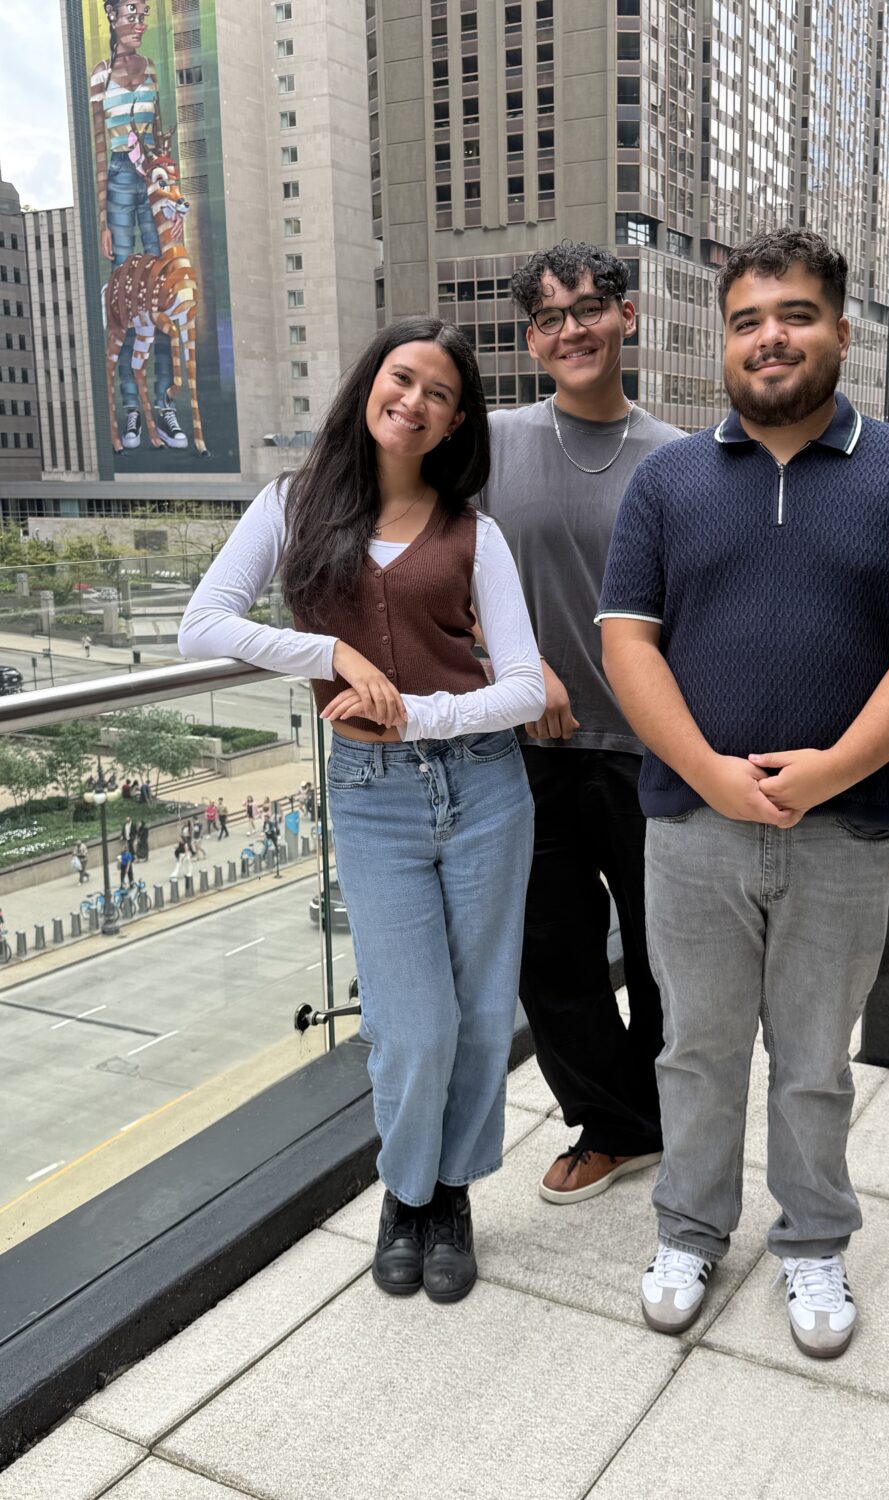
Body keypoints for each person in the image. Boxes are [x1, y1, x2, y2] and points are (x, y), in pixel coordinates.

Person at [599, 230, 889, 1355]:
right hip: (691, 827)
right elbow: (629, 645)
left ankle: (814, 1243)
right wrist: (714, 775)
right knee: (696, 1049)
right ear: (725, 340)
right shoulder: (669, 480)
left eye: (797, 314)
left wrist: (831, 770)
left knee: (817, 1060)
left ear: (839, 331)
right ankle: (690, 1228)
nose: (771, 338)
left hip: (847, 829)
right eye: (748, 320)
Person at [178, 315, 545, 1305]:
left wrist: (419, 709)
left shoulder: (476, 533)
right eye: (401, 378)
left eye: (438, 392)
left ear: (456, 418)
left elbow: (519, 684)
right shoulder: (293, 507)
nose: (414, 401)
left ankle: (450, 1197)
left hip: (482, 786)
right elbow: (201, 624)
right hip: (373, 798)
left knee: (474, 1018)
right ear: (369, 385)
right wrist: (331, 654)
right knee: (409, 1021)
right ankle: (403, 1191)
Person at [479, 242, 682, 1205]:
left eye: (591, 307)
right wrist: (523, 669)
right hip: (528, 746)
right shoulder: (493, 445)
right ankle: (613, 1124)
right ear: (531, 341)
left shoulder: (681, 459)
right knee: (547, 951)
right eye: (552, 318)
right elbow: (451, 580)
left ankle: (669, 1116)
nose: (574, 329)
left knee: (662, 954)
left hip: (649, 753)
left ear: (626, 318)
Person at [89, 0, 185, 452]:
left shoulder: (151, 73)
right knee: (128, 302)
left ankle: (164, 405)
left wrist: (171, 209)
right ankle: (131, 408)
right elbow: (97, 151)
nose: (139, 24)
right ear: (112, 18)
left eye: (144, 16)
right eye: (132, 15)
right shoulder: (99, 77)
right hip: (120, 187)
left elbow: (163, 140)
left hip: (153, 184)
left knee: (162, 295)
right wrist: (104, 219)